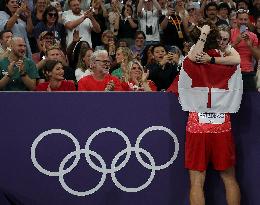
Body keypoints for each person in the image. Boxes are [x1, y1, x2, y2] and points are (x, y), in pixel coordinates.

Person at [179, 22, 242, 205]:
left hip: (196, 125)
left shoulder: (190, 61)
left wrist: (204, 34)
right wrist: (222, 44)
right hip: (221, 125)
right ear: (218, 41)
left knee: (197, 182)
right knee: (229, 179)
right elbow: (237, 58)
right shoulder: (228, 62)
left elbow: (193, 54)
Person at [230, 9, 259, 90]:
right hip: (232, 71)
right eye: (241, 19)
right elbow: (224, 53)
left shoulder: (253, 36)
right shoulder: (230, 32)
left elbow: (258, 57)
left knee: (249, 100)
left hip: (248, 71)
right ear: (236, 20)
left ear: (248, 20)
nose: (243, 21)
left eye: (245, 19)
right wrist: (236, 42)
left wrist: (250, 46)